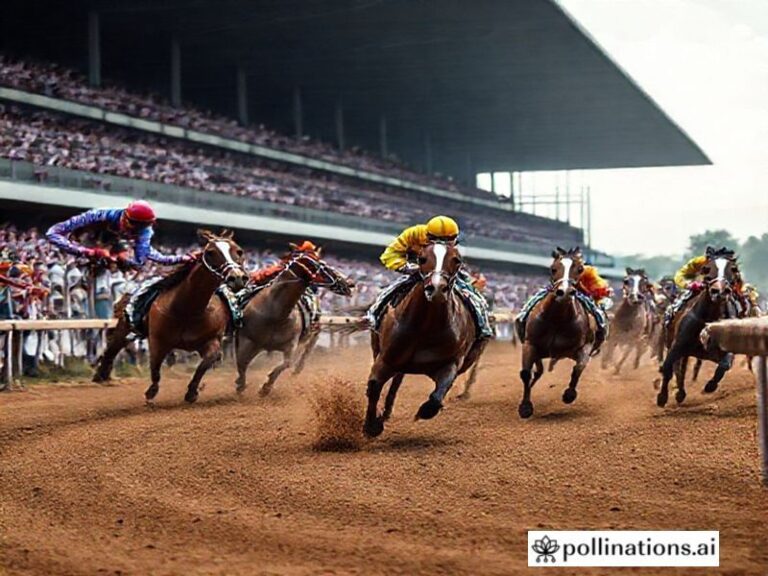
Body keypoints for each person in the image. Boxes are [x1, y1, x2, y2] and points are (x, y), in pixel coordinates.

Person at [367, 216, 493, 340]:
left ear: (454, 238)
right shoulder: (414, 233)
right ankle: (373, 316)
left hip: (443, 271)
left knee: (474, 295)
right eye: (437, 240)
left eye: (448, 240)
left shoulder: (455, 243)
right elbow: (389, 255)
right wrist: (409, 267)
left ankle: (482, 325)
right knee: (390, 291)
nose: (443, 243)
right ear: (428, 235)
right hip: (417, 268)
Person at [45, 200, 191, 268]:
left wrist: (180, 258)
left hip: (109, 251)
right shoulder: (99, 215)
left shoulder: (145, 232)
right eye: (136, 227)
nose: (137, 231)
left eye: (142, 228)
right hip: (75, 248)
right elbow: (52, 233)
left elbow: (142, 261)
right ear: (125, 218)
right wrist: (86, 252)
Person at [515, 252, 612, 353]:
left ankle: (601, 326)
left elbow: (596, 288)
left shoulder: (588, 272)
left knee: (594, 308)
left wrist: (589, 292)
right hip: (557, 289)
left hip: (580, 294)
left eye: (580, 259)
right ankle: (523, 314)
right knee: (537, 296)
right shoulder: (565, 267)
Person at [666, 246, 747, 323]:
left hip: (725, 287)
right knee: (677, 305)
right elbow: (679, 275)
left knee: (743, 301)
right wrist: (689, 285)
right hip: (699, 286)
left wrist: (740, 293)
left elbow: (739, 283)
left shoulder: (731, 266)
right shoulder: (698, 262)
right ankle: (670, 319)